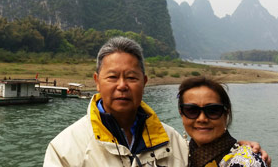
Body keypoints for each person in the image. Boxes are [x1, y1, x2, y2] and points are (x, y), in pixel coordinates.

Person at [44, 36, 188, 166]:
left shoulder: (174, 142)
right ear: (97, 81)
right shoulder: (65, 148)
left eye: (131, 77)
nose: (122, 86)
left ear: (144, 82)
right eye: (112, 77)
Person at [178, 76, 267, 167]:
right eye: (192, 110)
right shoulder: (178, 155)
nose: (202, 119)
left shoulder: (247, 162)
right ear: (181, 113)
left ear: (226, 114)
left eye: (213, 110)